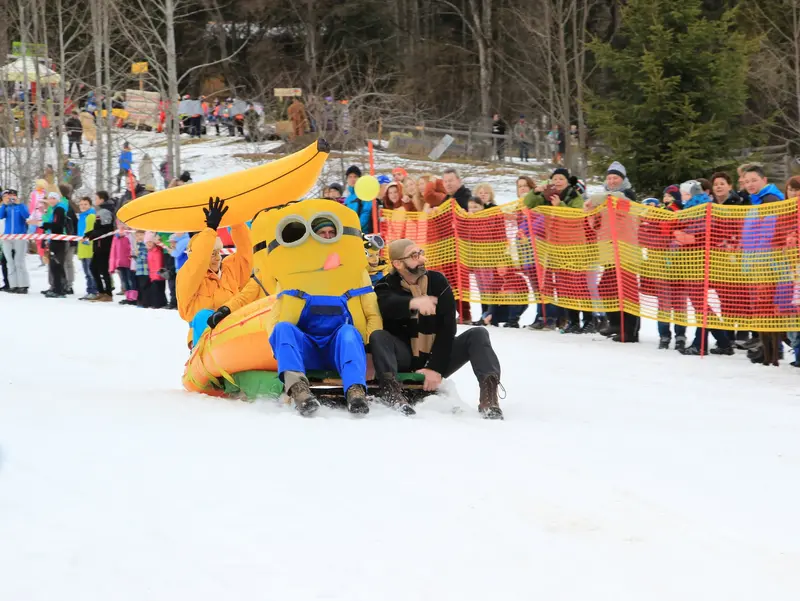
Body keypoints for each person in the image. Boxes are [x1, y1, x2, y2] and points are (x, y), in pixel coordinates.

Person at [371, 239, 504, 420]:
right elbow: (388, 305)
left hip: (436, 355)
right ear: (397, 263)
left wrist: (435, 368)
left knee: (478, 334)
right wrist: (412, 303)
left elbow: (448, 328)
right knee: (379, 336)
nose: (422, 259)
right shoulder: (385, 285)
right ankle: (392, 393)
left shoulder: (437, 281)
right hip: (404, 357)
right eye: (414, 256)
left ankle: (489, 398)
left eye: (421, 253)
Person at [176, 198, 253, 348]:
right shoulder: (188, 276)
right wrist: (210, 229)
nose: (218, 257)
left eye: (218, 252)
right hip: (204, 341)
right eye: (212, 254)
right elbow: (198, 262)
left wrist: (236, 222)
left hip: (232, 335)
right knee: (203, 316)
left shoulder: (229, 270)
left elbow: (246, 254)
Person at [740, 165, 787, 365]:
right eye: (746, 181)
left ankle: (772, 353)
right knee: (761, 309)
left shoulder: (771, 200)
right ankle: (766, 349)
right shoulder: (757, 200)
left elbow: (768, 235)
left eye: (753, 180)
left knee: (768, 309)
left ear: (764, 179)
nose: (750, 184)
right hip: (756, 263)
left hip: (768, 264)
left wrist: (757, 260)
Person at [84, 191, 116, 302]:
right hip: (98, 244)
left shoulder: (105, 211)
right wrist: (88, 234)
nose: (95, 200)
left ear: (102, 199)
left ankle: (108, 293)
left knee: (102, 269)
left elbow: (106, 229)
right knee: (94, 268)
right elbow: (99, 228)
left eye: (96, 198)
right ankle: (101, 291)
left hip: (104, 245)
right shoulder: (101, 210)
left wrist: (93, 235)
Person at [0, 188, 30, 293]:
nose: (11, 198)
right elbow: (0, 216)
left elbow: (26, 216)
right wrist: (4, 204)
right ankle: (13, 284)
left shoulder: (20, 206)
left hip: (20, 236)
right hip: (8, 237)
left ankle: (23, 285)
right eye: (8, 196)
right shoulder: (6, 207)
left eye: (12, 195)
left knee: (19, 261)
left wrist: (20, 204)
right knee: (9, 261)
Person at [41, 191, 69, 298]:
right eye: (50, 198)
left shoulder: (59, 209)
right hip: (54, 239)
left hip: (59, 241)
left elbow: (57, 225)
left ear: (57, 199)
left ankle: (59, 290)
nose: (51, 200)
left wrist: (44, 225)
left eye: (53, 198)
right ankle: (58, 288)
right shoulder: (54, 209)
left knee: (56, 265)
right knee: (55, 265)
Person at [76, 196, 98, 300]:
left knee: (91, 271)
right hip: (82, 247)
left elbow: (91, 231)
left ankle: (95, 291)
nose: (83, 206)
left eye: (85, 204)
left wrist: (87, 239)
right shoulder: (81, 216)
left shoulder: (91, 216)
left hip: (90, 247)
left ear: (90, 205)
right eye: (81, 204)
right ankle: (89, 290)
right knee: (86, 272)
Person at [110, 226, 136, 305]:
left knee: (131, 280)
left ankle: (134, 298)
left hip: (129, 261)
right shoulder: (117, 237)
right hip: (120, 262)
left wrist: (133, 258)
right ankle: (128, 297)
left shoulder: (130, 235)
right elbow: (114, 250)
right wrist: (113, 264)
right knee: (124, 281)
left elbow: (133, 247)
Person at [146, 233, 167, 308]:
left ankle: (159, 303)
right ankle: (158, 303)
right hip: (152, 275)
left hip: (158, 275)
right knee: (155, 290)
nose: (148, 244)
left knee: (158, 290)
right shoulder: (149, 252)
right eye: (147, 242)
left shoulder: (157, 251)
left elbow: (159, 264)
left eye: (150, 242)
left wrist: (157, 274)